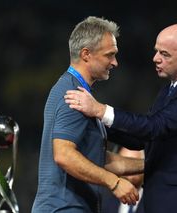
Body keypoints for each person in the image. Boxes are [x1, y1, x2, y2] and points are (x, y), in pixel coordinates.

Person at [65, 23, 177, 213]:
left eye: (164, 54)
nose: (155, 58)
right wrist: (95, 122)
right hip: (167, 199)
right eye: (156, 51)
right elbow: (142, 137)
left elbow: (154, 127)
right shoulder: (170, 90)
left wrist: (101, 110)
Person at [32, 16, 144, 213]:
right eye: (109, 55)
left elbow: (99, 160)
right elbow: (64, 155)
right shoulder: (71, 94)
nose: (115, 62)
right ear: (86, 54)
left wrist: (152, 164)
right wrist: (114, 183)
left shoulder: (81, 96)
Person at [101, 147, 145, 213]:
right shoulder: (105, 200)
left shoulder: (155, 199)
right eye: (124, 164)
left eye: (132, 163)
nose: (128, 171)